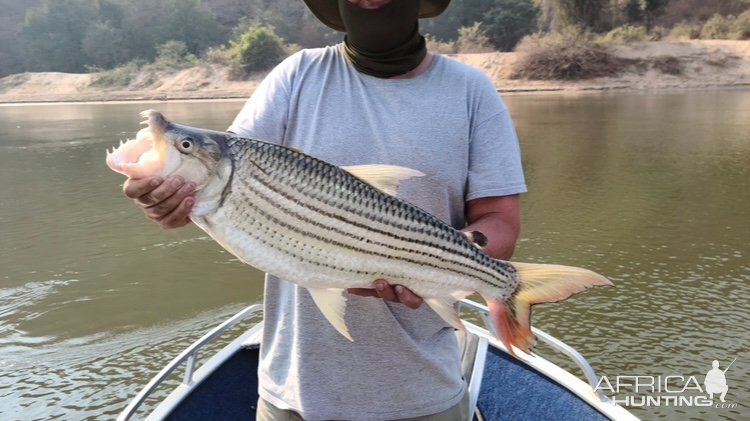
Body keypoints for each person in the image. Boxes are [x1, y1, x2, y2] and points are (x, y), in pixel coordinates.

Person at [122, 0, 527, 419]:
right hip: (293, 393)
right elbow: (234, 175)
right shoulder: (297, 75)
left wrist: (452, 254)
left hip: (424, 396)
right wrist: (168, 201)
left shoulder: (471, 91)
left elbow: (502, 222)